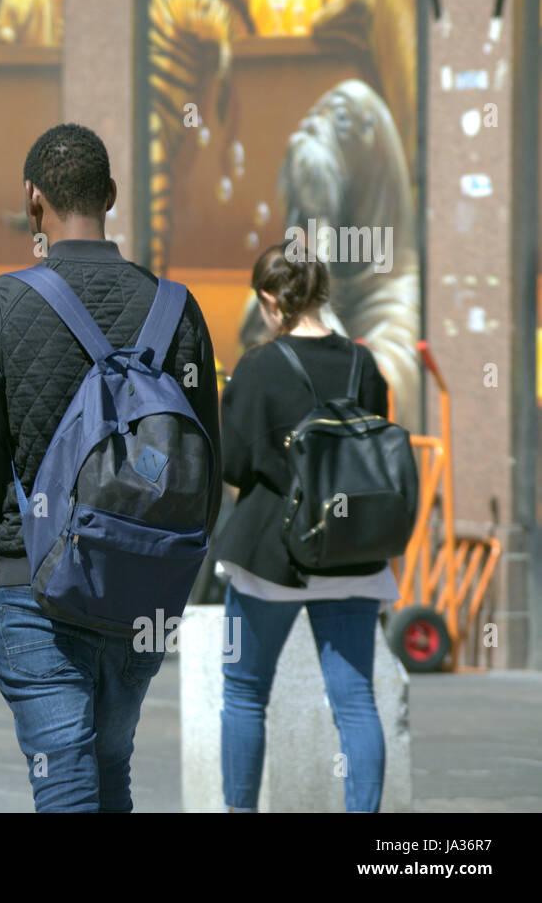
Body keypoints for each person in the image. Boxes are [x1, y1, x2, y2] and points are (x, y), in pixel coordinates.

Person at [0, 123, 222, 812]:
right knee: (109, 767)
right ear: (112, 195)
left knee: (66, 781)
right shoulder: (177, 309)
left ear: (32, 200)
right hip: (140, 589)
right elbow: (204, 466)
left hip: (32, 586)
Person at [214, 242, 396, 813]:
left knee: (245, 693)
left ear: (272, 300)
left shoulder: (258, 366)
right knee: (356, 701)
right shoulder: (364, 365)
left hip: (270, 555)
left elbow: (233, 464)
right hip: (351, 552)